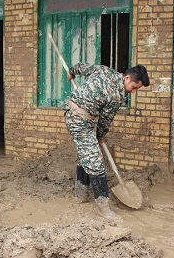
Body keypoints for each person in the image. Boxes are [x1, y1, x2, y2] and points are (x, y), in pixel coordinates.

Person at [64, 64, 150, 218]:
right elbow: (105, 120)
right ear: (127, 77)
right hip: (78, 119)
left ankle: (80, 195)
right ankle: (105, 209)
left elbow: (81, 67)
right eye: (134, 87)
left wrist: (72, 73)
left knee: (87, 155)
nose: (133, 91)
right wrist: (100, 135)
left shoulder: (103, 70)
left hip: (83, 117)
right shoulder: (117, 95)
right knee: (96, 162)